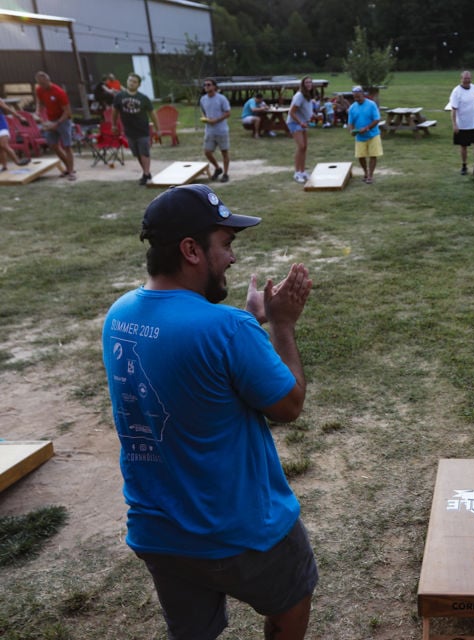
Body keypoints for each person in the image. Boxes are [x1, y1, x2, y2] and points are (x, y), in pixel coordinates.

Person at [102, 184, 317, 640]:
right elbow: (289, 405)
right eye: (225, 245)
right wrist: (280, 325)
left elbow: (190, 354)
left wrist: (246, 327)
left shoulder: (119, 315)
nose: (232, 259)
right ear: (190, 250)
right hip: (241, 531)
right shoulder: (226, 329)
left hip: (158, 532)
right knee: (292, 602)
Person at [113, 73, 161, 186]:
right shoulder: (119, 97)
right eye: (130, 80)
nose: (131, 83)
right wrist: (114, 125)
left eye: (134, 82)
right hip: (129, 130)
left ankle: (146, 173)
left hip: (142, 129)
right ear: (127, 81)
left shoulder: (143, 98)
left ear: (138, 85)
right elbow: (115, 112)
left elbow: (152, 114)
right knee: (137, 154)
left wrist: (157, 128)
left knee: (144, 152)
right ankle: (146, 173)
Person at [34, 71, 76, 181]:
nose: (42, 86)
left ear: (48, 80)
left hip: (63, 120)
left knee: (67, 146)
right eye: (40, 83)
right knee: (53, 145)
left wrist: (57, 124)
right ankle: (68, 167)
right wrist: (37, 112)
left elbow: (67, 111)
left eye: (43, 83)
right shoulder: (39, 89)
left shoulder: (59, 92)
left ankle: (71, 172)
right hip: (51, 119)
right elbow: (39, 102)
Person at [449, 70, 474, 176]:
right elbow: (453, 109)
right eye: (465, 78)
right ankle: (464, 166)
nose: (467, 80)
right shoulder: (456, 91)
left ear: (471, 79)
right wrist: (454, 124)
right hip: (462, 124)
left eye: (468, 78)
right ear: (461, 79)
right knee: (463, 146)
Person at [347, 86, 382, 184]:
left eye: (358, 96)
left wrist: (367, 128)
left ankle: (370, 175)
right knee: (360, 156)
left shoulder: (371, 104)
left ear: (363, 94)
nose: (357, 99)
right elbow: (350, 122)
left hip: (373, 134)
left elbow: (377, 119)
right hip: (360, 136)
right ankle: (365, 172)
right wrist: (351, 130)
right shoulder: (352, 107)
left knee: (373, 155)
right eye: (355, 97)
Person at [199, 78, 231, 183]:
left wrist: (216, 120)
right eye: (205, 85)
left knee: (224, 152)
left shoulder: (221, 98)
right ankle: (218, 168)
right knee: (207, 152)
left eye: (208, 84)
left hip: (221, 130)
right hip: (209, 130)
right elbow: (203, 112)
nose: (206, 86)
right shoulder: (203, 99)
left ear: (214, 87)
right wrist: (204, 118)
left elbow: (228, 113)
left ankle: (225, 174)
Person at [286, 77, 314, 184]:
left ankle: (303, 171)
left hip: (303, 122)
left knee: (305, 147)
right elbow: (291, 112)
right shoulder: (299, 96)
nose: (309, 84)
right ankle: (297, 173)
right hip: (294, 123)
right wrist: (300, 122)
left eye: (310, 82)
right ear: (303, 84)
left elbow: (306, 109)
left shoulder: (308, 95)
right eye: (306, 82)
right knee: (301, 146)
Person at [0, 98, 31, 172]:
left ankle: (17, 161)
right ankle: (4, 166)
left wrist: (19, 117)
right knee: (0, 149)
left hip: (2, 125)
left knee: (4, 145)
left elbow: (7, 108)